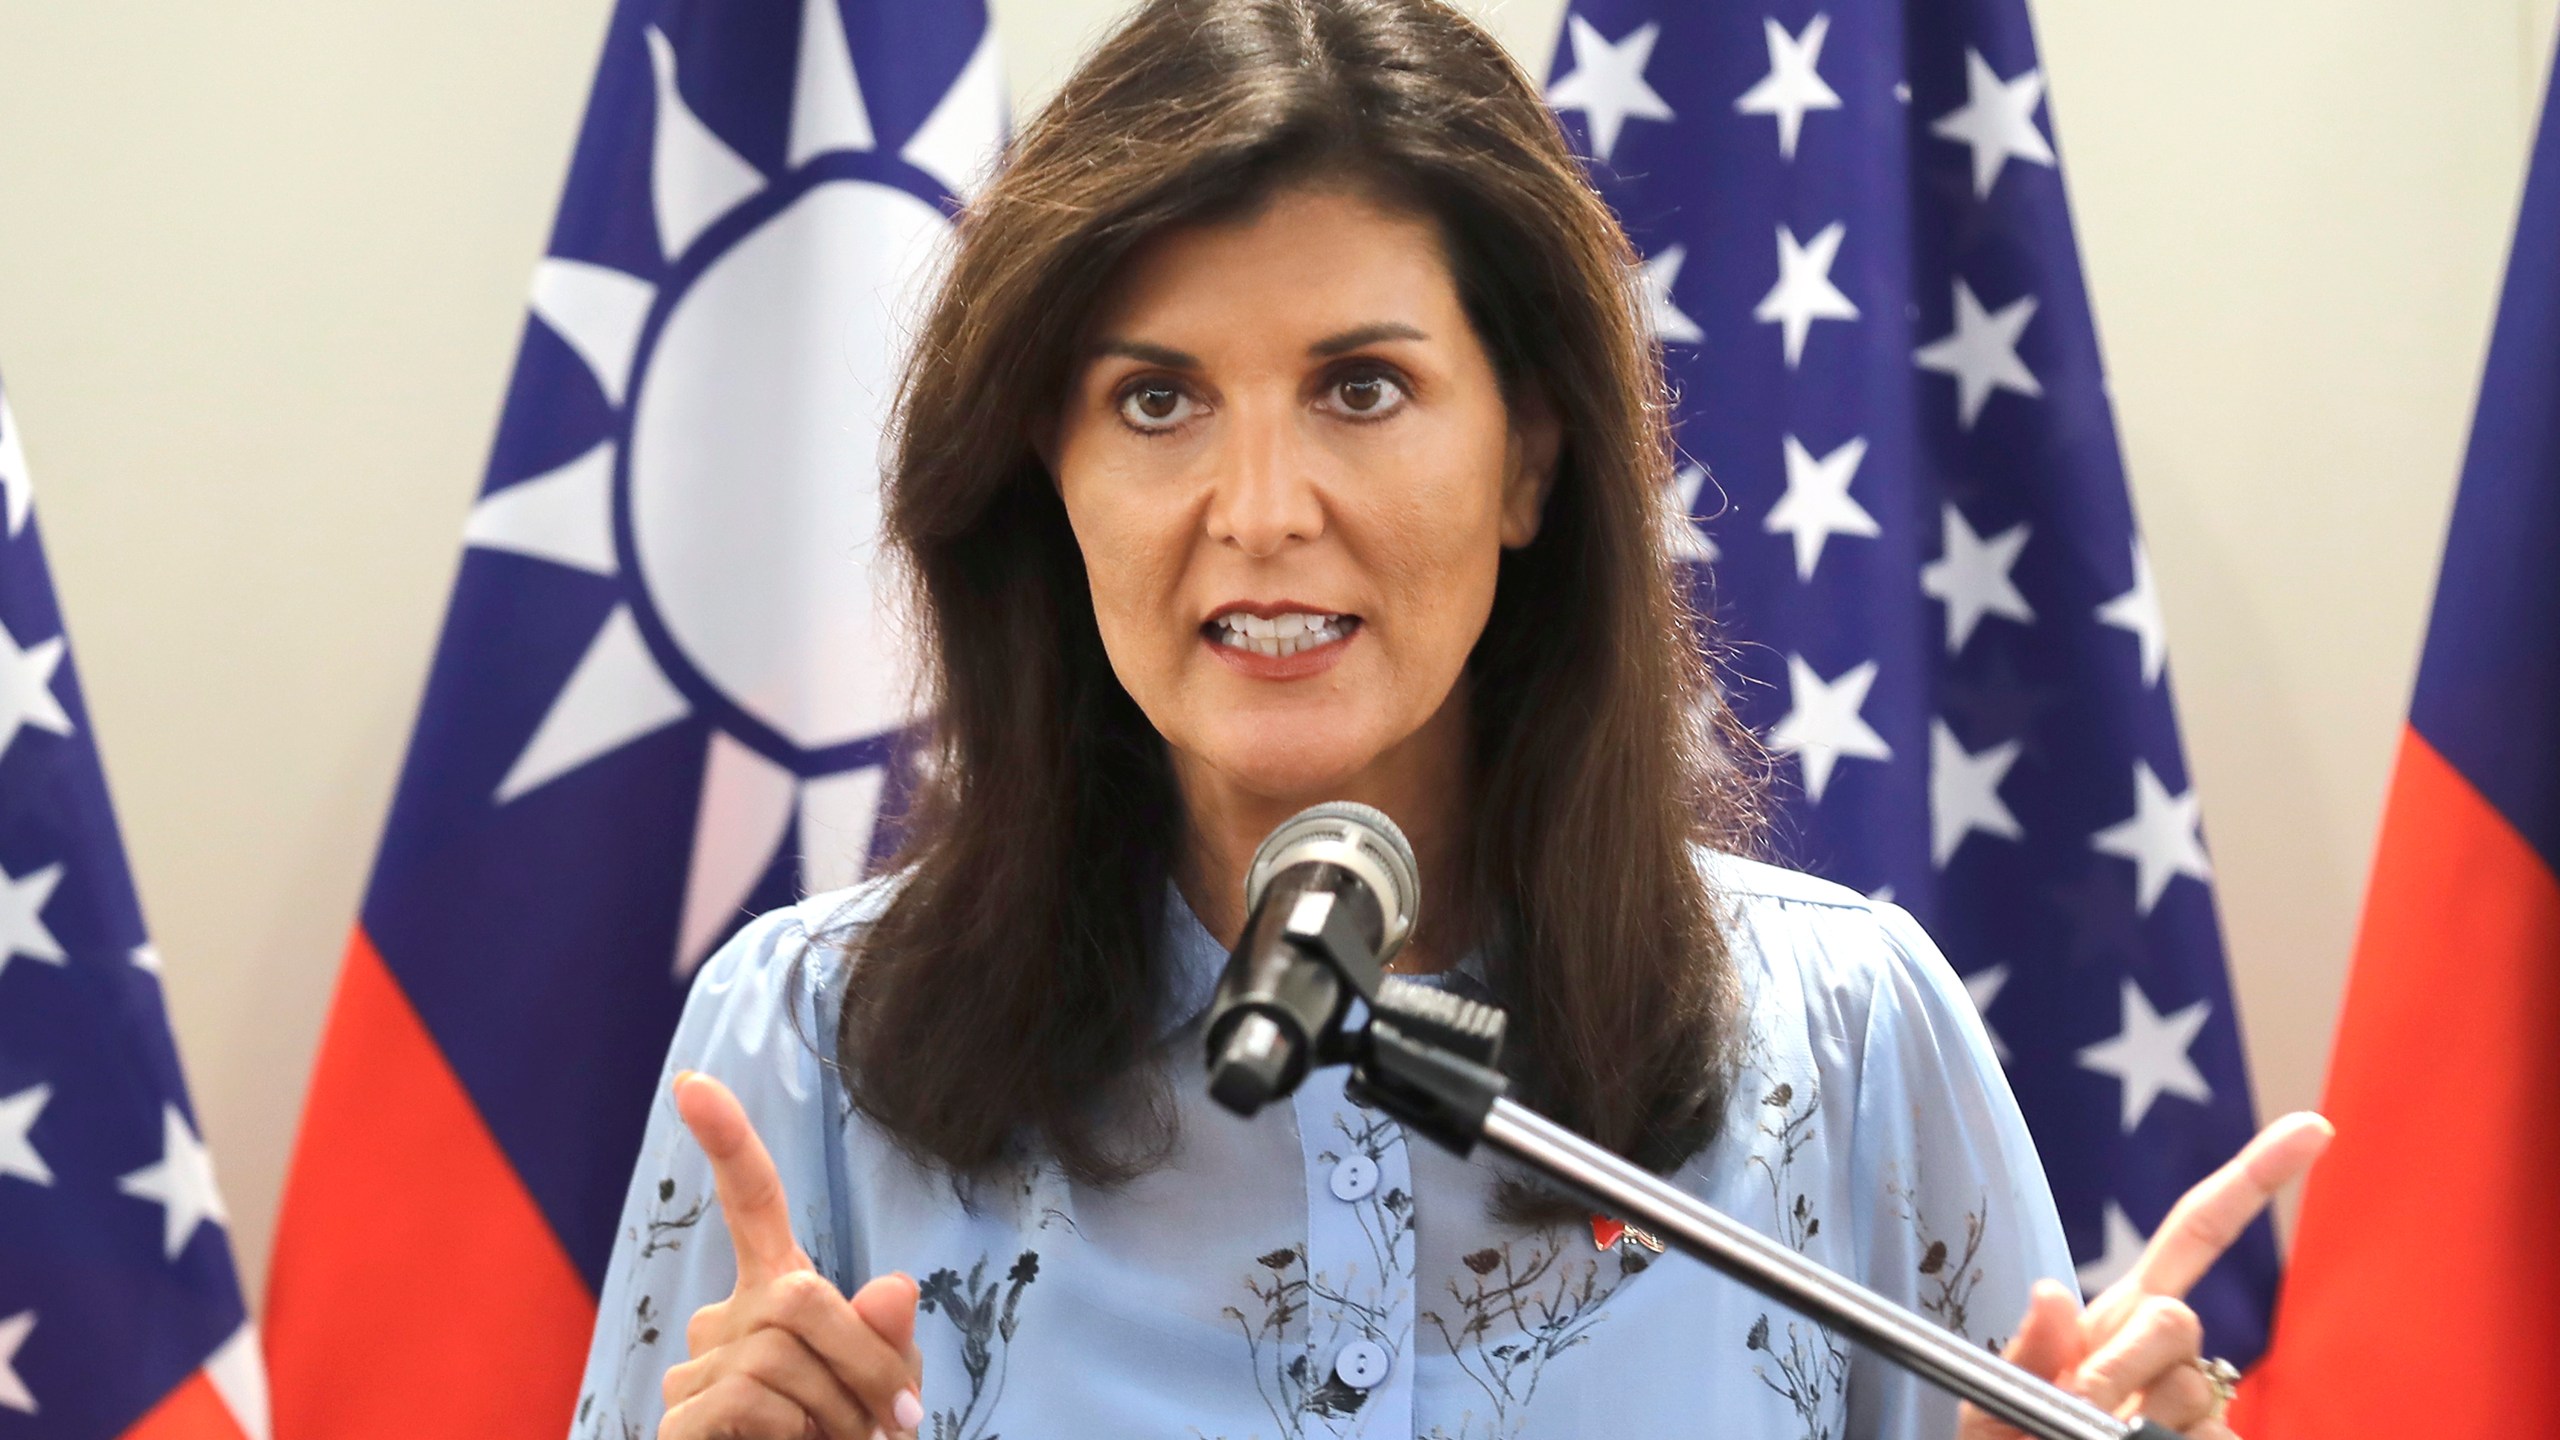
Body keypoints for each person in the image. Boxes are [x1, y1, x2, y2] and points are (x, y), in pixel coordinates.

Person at [570, 2, 2329, 1437]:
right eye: (1158, 398)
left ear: (1531, 458)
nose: (1260, 508)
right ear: (1050, 475)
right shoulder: (809, 1041)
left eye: (1362, 387)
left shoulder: (1847, 1038)